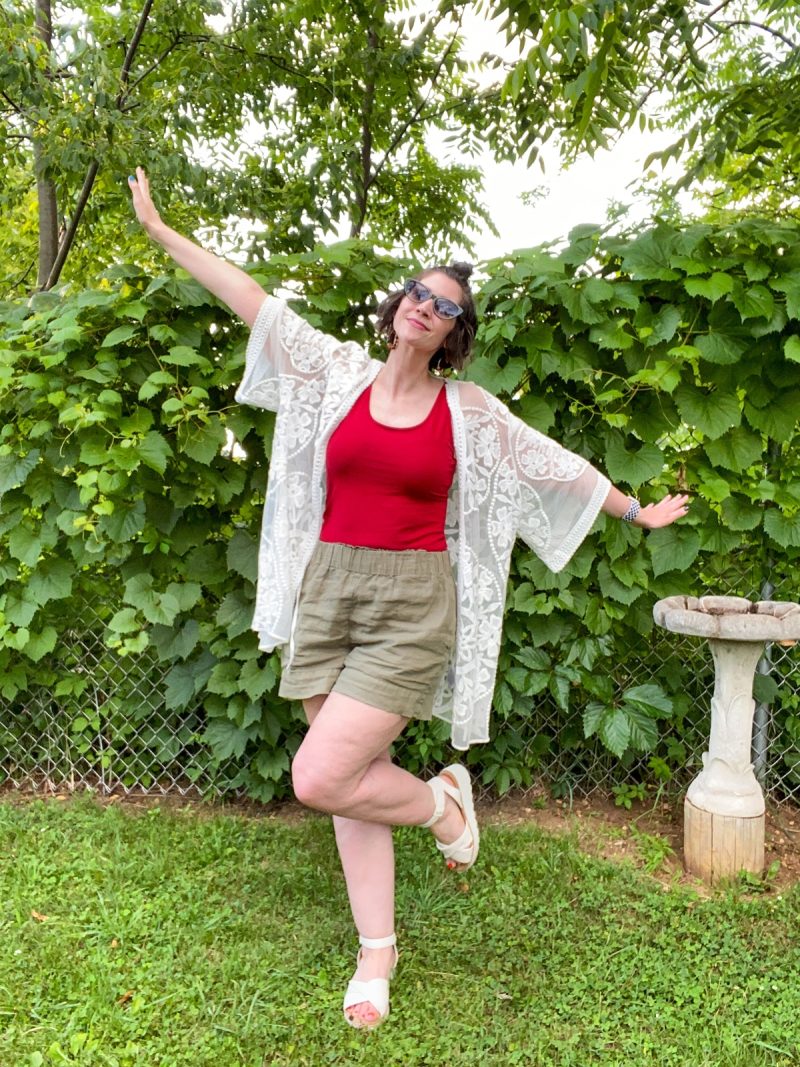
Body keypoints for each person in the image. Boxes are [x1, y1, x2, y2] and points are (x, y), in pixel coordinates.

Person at [128, 167, 689, 1029]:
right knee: (349, 775)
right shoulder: (336, 374)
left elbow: (551, 462)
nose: (425, 306)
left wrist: (632, 510)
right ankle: (378, 948)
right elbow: (258, 303)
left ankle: (440, 805)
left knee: (319, 775)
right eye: (419, 293)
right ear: (398, 307)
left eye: (446, 305)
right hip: (330, 588)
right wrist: (165, 233)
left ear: (454, 334)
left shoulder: (467, 410)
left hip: (413, 603)